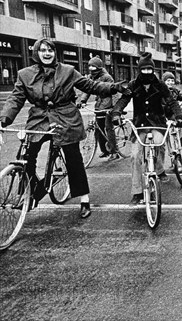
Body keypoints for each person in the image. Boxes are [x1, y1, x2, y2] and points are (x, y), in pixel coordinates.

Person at [0, 38, 128, 218]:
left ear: (55, 53)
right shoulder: (24, 74)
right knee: (27, 154)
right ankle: (32, 191)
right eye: (43, 50)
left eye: (50, 50)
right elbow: (16, 98)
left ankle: (84, 199)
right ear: (36, 52)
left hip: (66, 117)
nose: (47, 53)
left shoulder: (68, 71)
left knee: (73, 159)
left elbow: (90, 85)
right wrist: (4, 119)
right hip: (39, 119)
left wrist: (114, 87)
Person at [112, 52, 182, 204]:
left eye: (149, 69)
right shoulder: (133, 85)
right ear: (139, 70)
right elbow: (123, 100)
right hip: (139, 126)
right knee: (135, 156)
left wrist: (179, 116)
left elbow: (172, 102)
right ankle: (137, 191)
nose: (146, 72)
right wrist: (117, 113)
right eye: (143, 69)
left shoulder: (160, 85)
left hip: (157, 123)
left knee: (159, 145)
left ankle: (158, 170)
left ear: (153, 70)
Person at [77, 56, 121, 160]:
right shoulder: (91, 78)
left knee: (108, 128)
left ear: (99, 67)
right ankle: (105, 150)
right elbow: (87, 89)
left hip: (108, 105)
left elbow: (114, 92)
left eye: (93, 67)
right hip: (99, 105)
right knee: (98, 128)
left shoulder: (107, 77)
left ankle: (114, 151)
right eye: (90, 66)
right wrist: (82, 100)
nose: (91, 69)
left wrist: (114, 107)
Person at [162, 71, 182, 147]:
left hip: (172, 112)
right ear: (164, 82)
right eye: (168, 81)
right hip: (162, 113)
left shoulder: (175, 91)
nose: (170, 82)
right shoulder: (160, 90)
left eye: (172, 80)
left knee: (180, 120)